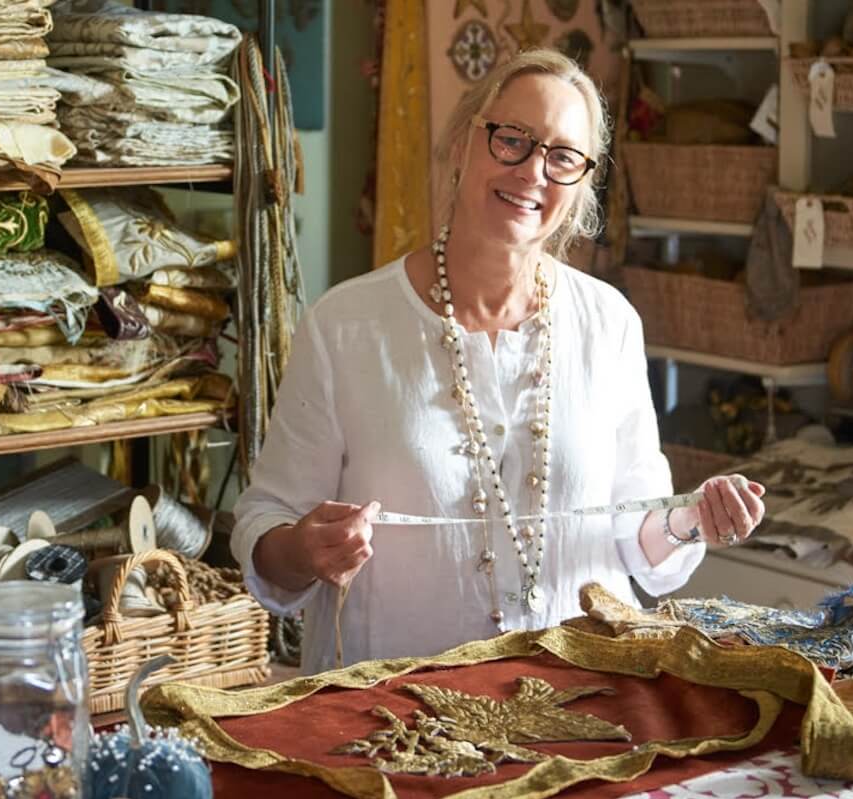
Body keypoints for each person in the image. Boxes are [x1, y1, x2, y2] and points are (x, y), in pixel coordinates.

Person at [231, 49, 766, 675]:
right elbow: (265, 527)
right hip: (395, 709)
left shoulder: (609, 322)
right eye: (512, 139)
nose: (533, 170)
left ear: (581, 185)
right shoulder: (345, 325)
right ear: (463, 144)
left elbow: (639, 538)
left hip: (579, 699)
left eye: (563, 157)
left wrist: (692, 520)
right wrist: (305, 549)